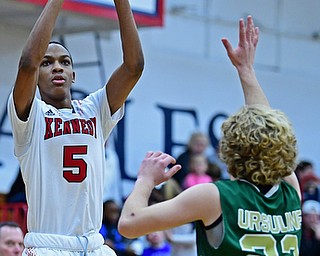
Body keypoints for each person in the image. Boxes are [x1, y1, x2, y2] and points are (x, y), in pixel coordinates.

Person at [118, 15, 302, 255]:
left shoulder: (214, 197)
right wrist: (246, 70)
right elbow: (268, 132)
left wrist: (145, 181)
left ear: (230, 151)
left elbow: (130, 224)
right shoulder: (291, 193)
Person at [7, 0, 144, 255]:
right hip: (49, 244)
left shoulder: (95, 108)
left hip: (93, 245)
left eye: (65, 62)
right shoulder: (31, 115)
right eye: (47, 62)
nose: (57, 66)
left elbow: (133, 67)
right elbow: (27, 63)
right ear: (36, 76)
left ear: (73, 75)